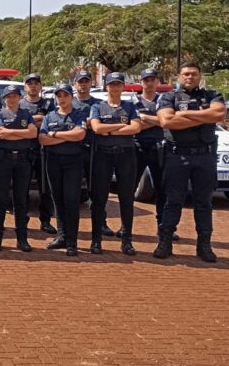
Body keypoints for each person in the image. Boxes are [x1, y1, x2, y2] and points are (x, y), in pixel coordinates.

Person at [155, 62, 225, 262]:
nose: (190, 77)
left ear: (200, 76)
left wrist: (184, 114)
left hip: (204, 156)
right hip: (178, 155)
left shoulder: (213, 95)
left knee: (204, 202)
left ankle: (204, 246)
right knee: (173, 200)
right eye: (186, 74)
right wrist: (205, 117)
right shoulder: (169, 97)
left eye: (194, 74)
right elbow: (167, 121)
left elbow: (219, 114)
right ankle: (165, 242)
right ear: (179, 76)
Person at [88, 72, 141, 256]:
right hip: (103, 155)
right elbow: (96, 128)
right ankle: (96, 241)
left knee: (126, 198)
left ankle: (127, 241)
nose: (115, 87)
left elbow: (136, 128)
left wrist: (108, 130)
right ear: (106, 86)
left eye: (118, 84)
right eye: (111, 84)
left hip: (126, 155)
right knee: (99, 199)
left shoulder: (130, 106)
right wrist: (120, 126)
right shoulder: (97, 107)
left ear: (123, 86)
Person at [39, 84, 87, 257]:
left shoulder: (79, 114)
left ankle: (72, 242)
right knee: (57, 199)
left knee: (71, 201)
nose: (62, 98)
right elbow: (43, 139)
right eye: (59, 95)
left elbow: (79, 135)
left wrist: (55, 134)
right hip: (53, 161)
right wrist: (66, 136)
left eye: (65, 95)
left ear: (71, 97)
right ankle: (62, 236)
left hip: (73, 162)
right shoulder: (49, 116)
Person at [0, 84, 38, 252]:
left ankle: (22, 239)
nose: (11, 99)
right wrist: (22, 131)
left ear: (20, 97)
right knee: (1, 199)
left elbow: (33, 133)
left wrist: (11, 132)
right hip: (4, 160)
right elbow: (0, 132)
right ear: (4, 99)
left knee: (21, 200)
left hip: (23, 161)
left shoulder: (26, 114)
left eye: (14, 96)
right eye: (8, 96)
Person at [72, 69, 113, 237]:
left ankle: (101, 223)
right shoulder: (68, 102)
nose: (83, 84)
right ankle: (69, 226)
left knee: (97, 189)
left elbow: (102, 124)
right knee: (72, 190)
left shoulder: (99, 104)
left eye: (86, 81)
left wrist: (87, 124)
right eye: (80, 81)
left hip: (95, 150)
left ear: (91, 83)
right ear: (75, 84)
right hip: (73, 150)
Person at [19, 73, 57, 235]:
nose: (33, 86)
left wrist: (27, 121)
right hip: (24, 149)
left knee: (45, 188)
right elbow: (16, 121)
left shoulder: (49, 103)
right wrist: (37, 118)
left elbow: (51, 121)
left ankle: (46, 221)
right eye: (30, 83)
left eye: (36, 83)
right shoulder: (19, 103)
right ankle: (22, 220)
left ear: (40, 86)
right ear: (24, 86)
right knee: (22, 188)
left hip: (43, 149)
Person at [134, 68, 169, 236]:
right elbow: (135, 126)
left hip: (159, 148)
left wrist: (145, 117)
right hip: (137, 147)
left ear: (157, 82)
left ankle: (162, 225)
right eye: (145, 80)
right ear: (140, 82)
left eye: (152, 79)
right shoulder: (133, 103)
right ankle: (126, 227)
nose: (149, 83)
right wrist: (157, 120)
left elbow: (167, 122)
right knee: (129, 188)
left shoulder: (164, 102)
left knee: (162, 189)